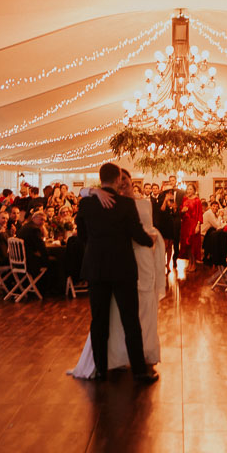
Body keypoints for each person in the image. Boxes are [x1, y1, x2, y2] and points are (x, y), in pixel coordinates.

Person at [70, 162, 158, 384]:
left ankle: (100, 370)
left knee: (99, 320)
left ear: (100, 179)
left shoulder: (87, 203)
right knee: (131, 321)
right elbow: (137, 234)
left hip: (96, 268)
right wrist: (151, 240)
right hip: (123, 268)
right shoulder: (126, 204)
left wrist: (95, 246)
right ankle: (139, 371)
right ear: (119, 179)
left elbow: (81, 233)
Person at [180, 183, 204, 269]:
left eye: (190, 189)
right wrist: (182, 211)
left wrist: (198, 225)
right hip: (185, 224)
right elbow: (181, 213)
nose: (189, 191)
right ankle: (190, 262)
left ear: (194, 190)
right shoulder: (184, 199)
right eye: (188, 189)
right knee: (187, 245)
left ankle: (194, 263)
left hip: (194, 224)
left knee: (193, 244)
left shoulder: (197, 200)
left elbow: (199, 214)